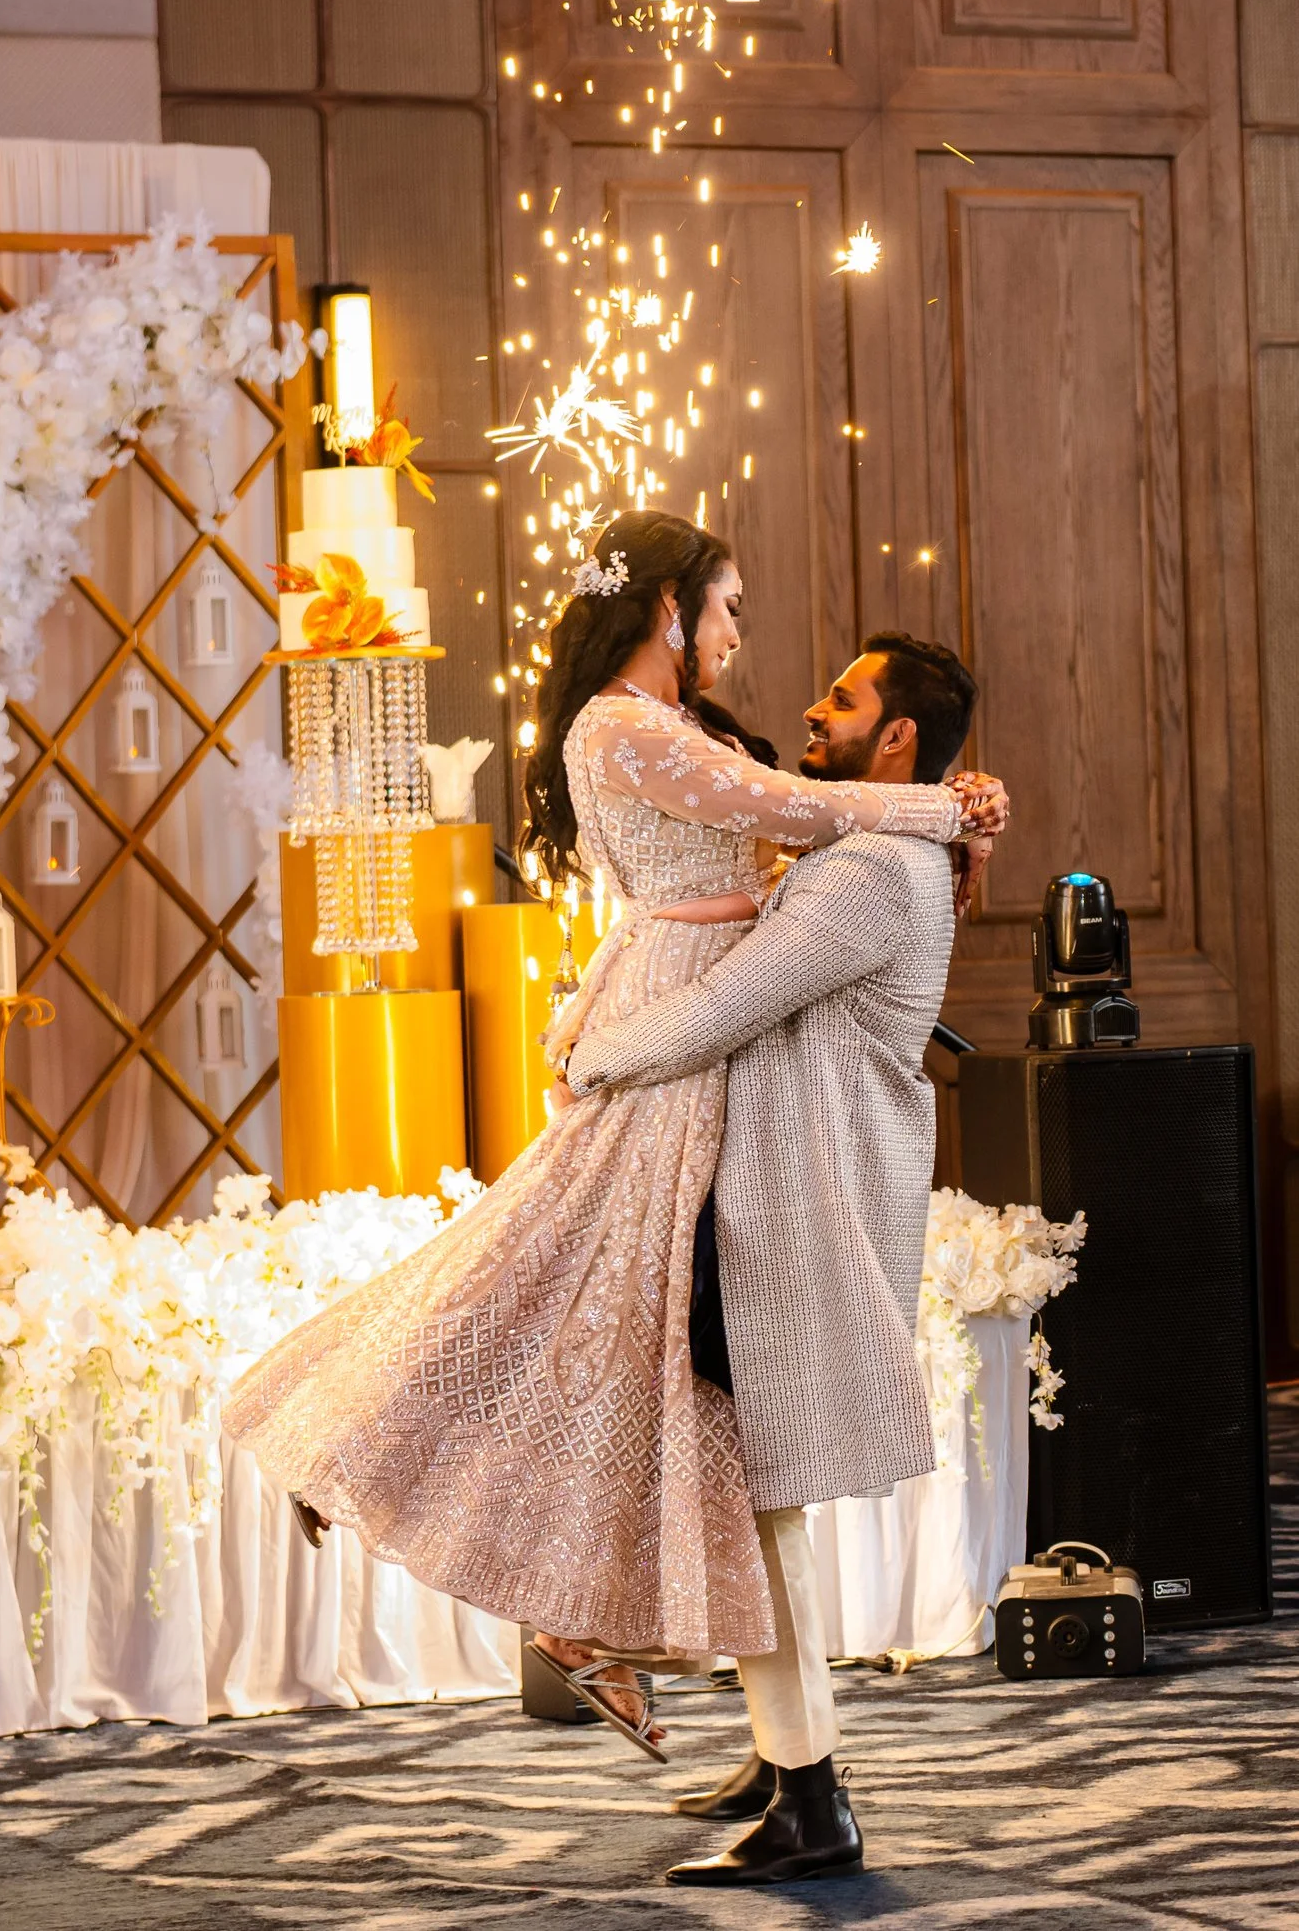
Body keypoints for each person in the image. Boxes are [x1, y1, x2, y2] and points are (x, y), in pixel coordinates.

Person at [222, 510, 1006, 1768]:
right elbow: (786, 806)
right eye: (728, 606)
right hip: (674, 1013)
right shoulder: (622, 726)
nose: (742, 636)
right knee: (550, 1268)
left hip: (693, 1016)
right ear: (666, 608)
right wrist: (948, 809)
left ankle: (606, 1635)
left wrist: (947, 812)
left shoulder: (676, 728)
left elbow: (784, 832)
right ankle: (352, 1438)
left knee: (601, 1311)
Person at [561, 632, 985, 1887]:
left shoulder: (870, 874)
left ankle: (810, 1800)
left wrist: (589, 1057)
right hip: (774, 1204)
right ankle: (780, 1753)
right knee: (753, 1496)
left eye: (843, 699)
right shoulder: (869, 849)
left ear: (896, 737)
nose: (812, 707)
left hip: (796, 1215)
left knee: (763, 1504)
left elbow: (721, 1007)